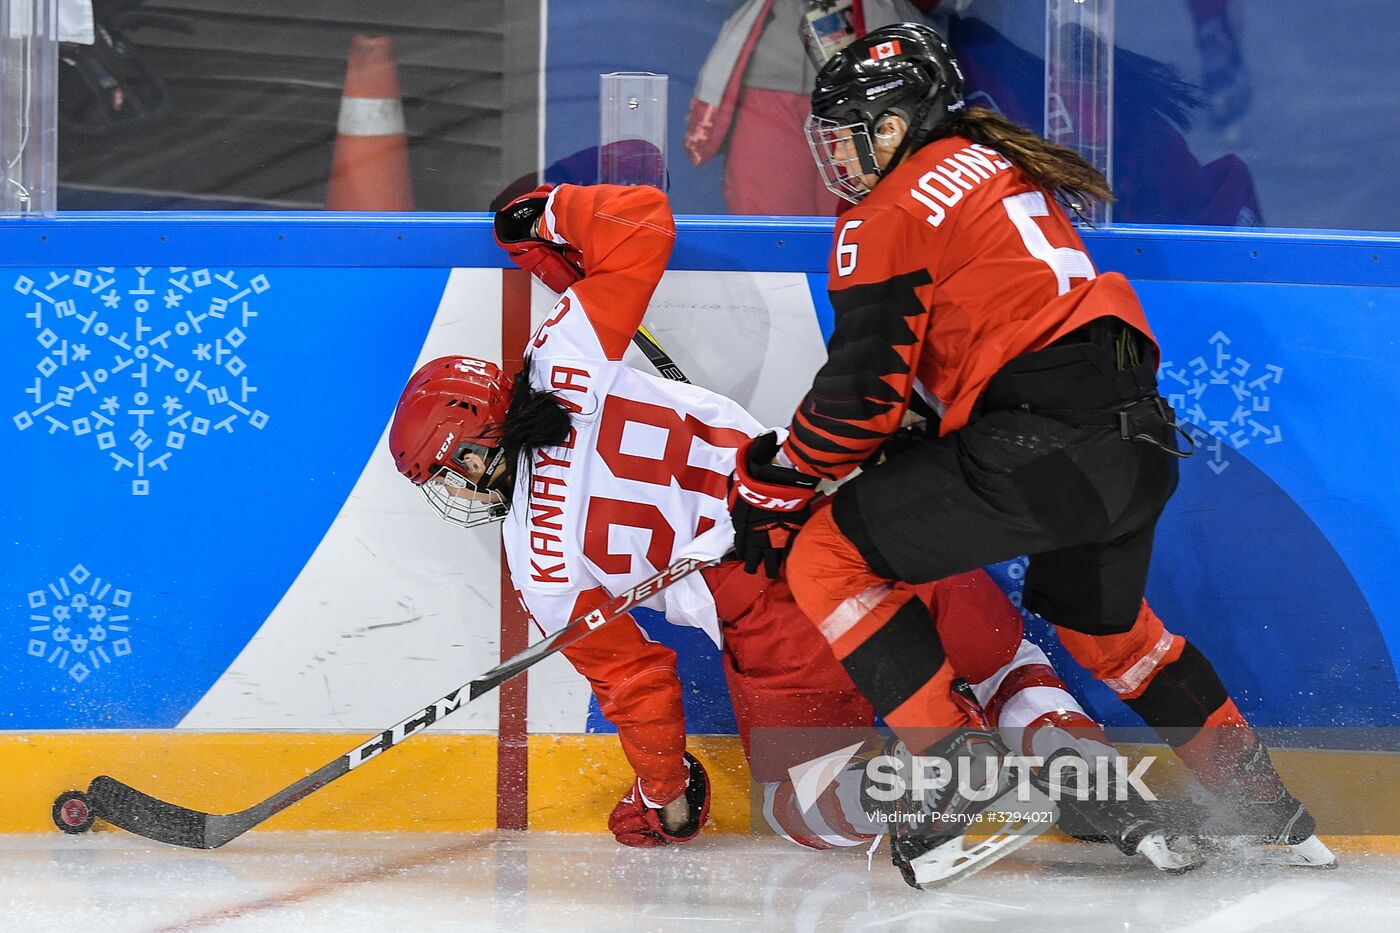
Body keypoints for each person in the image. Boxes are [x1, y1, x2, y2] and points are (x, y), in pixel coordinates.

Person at [388, 182, 1191, 882]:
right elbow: (641, 221)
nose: (461, 490)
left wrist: (663, 799)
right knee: (1002, 658)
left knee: (799, 803)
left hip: (773, 610)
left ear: (476, 444)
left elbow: (639, 687)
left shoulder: (538, 558)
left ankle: (931, 783)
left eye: (453, 470)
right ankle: (1088, 773)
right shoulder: (561, 354)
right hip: (856, 512)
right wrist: (547, 218)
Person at [725, 22, 1334, 871]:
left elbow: (858, 404)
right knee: (1114, 639)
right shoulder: (996, 163)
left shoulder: (887, 210)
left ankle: (946, 777)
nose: (843, 158)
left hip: (1040, 444)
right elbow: (997, 335)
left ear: (899, 123)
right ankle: (1264, 805)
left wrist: (774, 480)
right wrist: (919, 431)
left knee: (828, 555)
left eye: (854, 133)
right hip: (1135, 437)